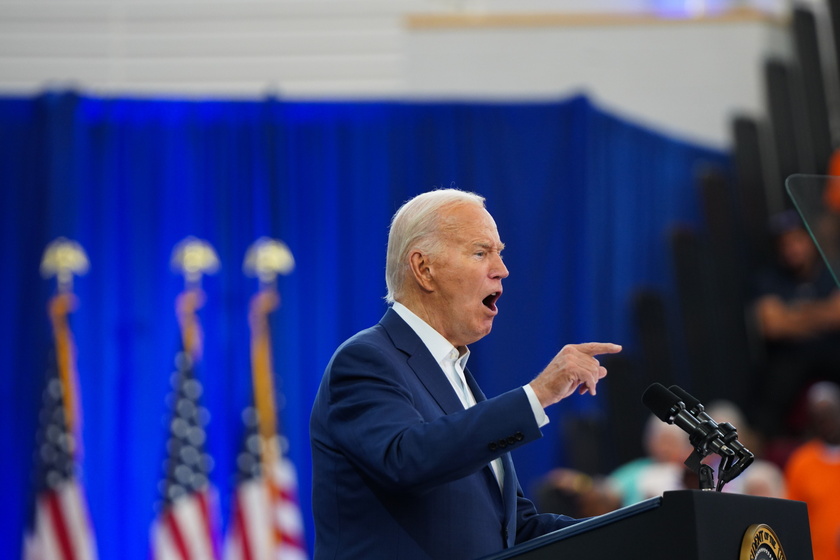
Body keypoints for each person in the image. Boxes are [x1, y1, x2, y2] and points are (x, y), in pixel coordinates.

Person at [309, 189, 622, 559]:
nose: (502, 269)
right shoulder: (365, 360)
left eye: (500, 253)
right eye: (481, 252)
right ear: (424, 269)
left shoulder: (457, 377)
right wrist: (537, 394)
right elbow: (406, 460)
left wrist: (640, 532)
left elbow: (513, 529)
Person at [749, 209, 840, 439]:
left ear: (810, 240)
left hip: (832, 349)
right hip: (791, 356)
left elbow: (838, 315)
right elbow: (772, 326)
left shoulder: (831, 270)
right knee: (770, 390)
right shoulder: (769, 278)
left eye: (798, 240)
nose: (792, 249)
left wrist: (795, 314)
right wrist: (822, 312)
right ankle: (764, 448)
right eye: (784, 243)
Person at [784, 381, 840, 560]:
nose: (827, 422)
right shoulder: (802, 462)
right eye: (819, 417)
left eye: (830, 413)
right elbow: (792, 518)